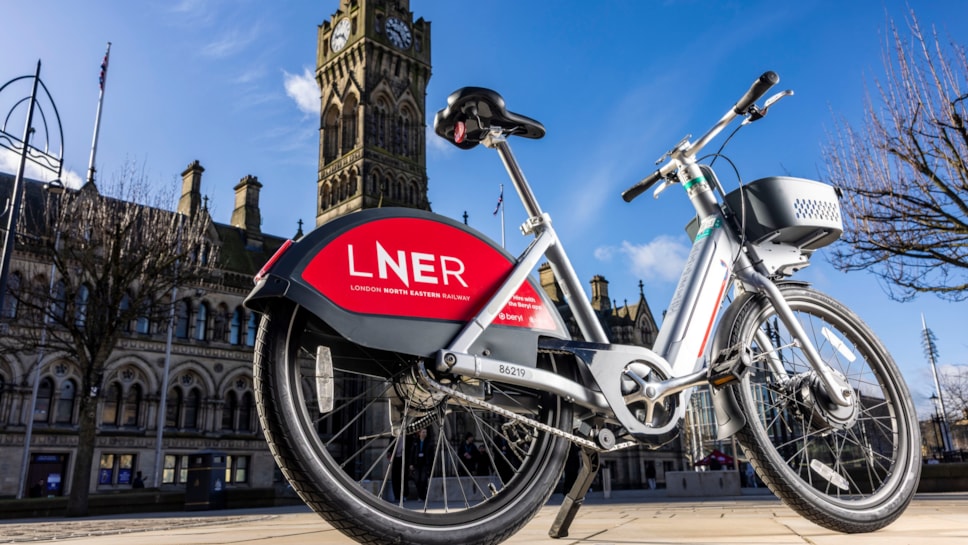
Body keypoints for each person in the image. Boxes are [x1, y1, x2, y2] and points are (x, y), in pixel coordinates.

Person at [409, 428, 433, 501]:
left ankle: (422, 496)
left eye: (425, 432)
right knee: (417, 480)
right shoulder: (415, 442)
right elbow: (412, 453)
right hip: (417, 463)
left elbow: (431, 454)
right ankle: (420, 495)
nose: (424, 434)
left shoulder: (428, 442)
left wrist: (430, 463)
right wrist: (411, 463)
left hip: (424, 463)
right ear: (419, 433)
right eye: (423, 432)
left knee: (423, 479)